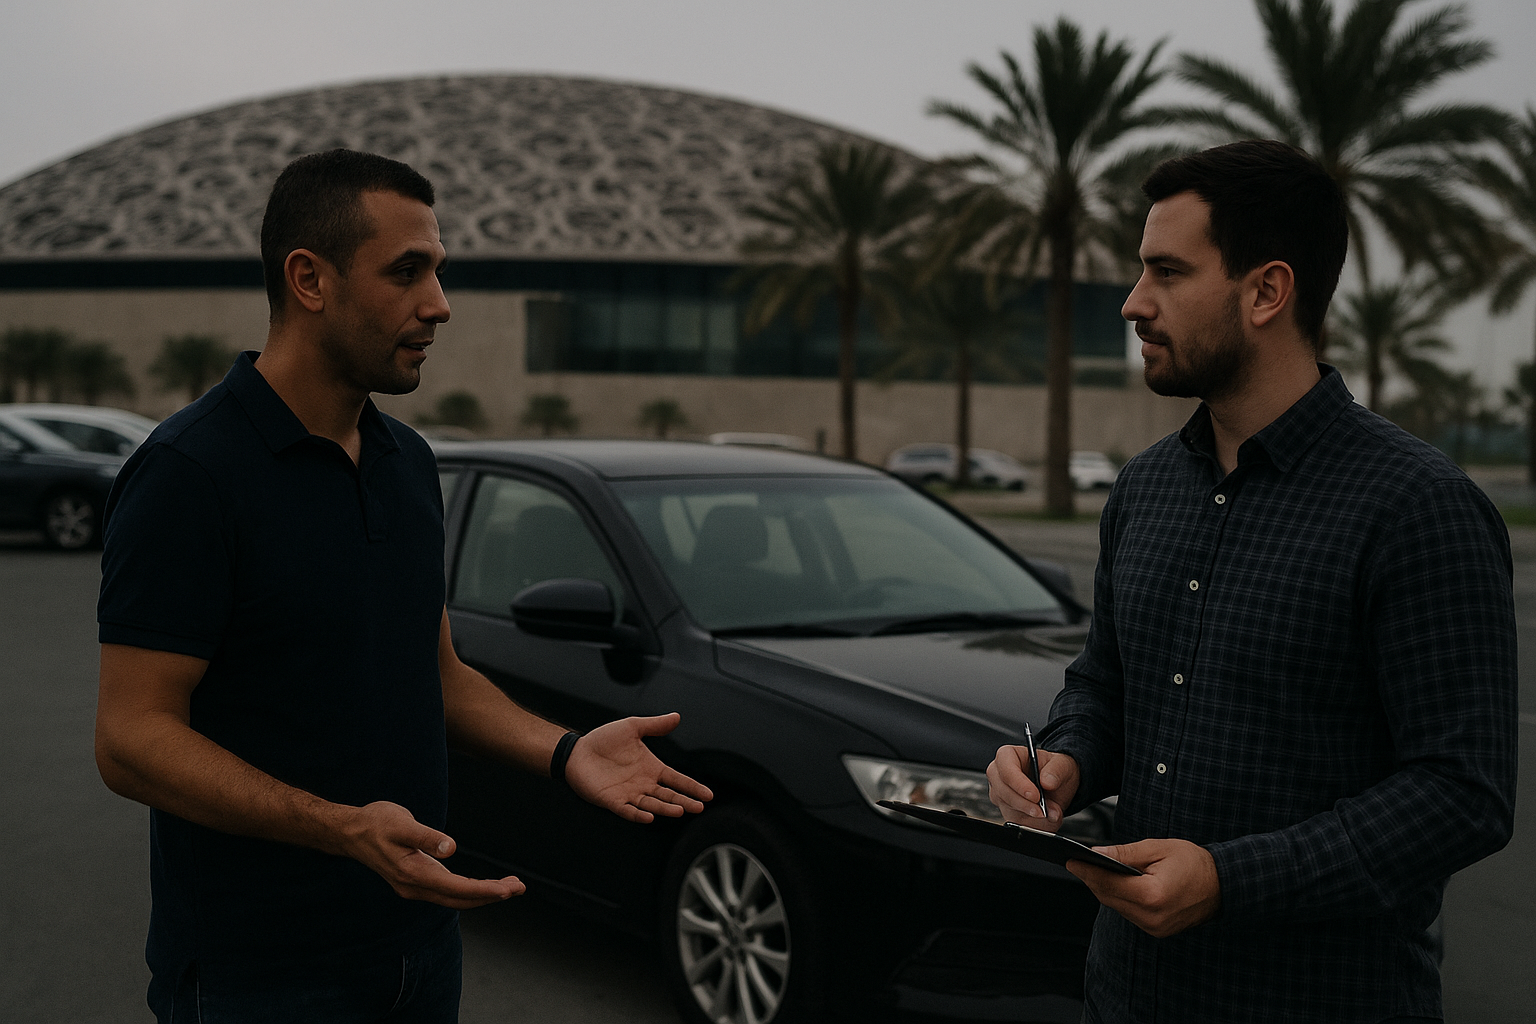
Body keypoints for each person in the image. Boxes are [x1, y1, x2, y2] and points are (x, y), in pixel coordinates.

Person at [93, 149, 713, 1023]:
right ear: (309, 279)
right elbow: (129, 736)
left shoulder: (408, 464)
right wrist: (339, 827)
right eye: (407, 272)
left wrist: (566, 750)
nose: (440, 304)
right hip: (259, 978)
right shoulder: (189, 473)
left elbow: (439, 672)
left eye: (439, 271)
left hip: (418, 953)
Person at [987, 140, 1517, 1023]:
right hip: (1126, 994)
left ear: (1267, 291)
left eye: (1166, 271)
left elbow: (1463, 794)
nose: (1133, 302)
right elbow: (1105, 682)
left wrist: (1231, 879)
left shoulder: (1417, 507)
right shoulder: (1145, 486)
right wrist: (1067, 758)